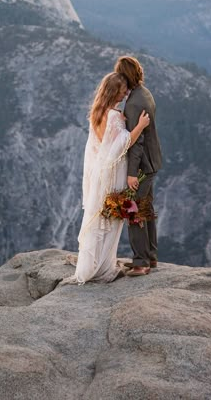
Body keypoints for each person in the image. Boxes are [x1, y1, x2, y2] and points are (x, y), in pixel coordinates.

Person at [64, 72, 150, 285]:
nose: (124, 95)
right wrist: (141, 125)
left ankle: (96, 265)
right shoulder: (112, 116)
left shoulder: (98, 112)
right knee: (111, 221)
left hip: (100, 174)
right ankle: (102, 268)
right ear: (114, 92)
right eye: (121, 92)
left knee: (103, 220)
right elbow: (121, 145)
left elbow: (98, 148)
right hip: (113, 174)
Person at [114, 55, 162, 276]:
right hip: (153, 161)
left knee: (133, 210)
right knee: (146, 209)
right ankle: (150, 256)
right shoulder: (145, 93)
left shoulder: (134, 103)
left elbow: (137, 142)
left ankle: (140, 262)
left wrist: (132, 173)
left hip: (142, 166)